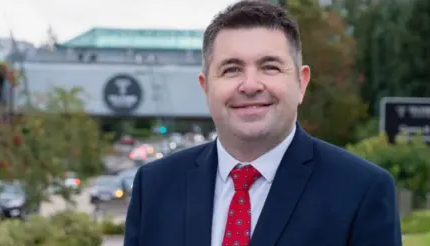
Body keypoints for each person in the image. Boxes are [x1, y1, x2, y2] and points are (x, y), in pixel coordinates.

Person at [123, 1, 402, 246]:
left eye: (270, 67)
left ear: (301, 83)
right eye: (232, 69)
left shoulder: (361, 191)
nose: (251, 85)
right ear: (205, 87)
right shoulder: (155, 187)